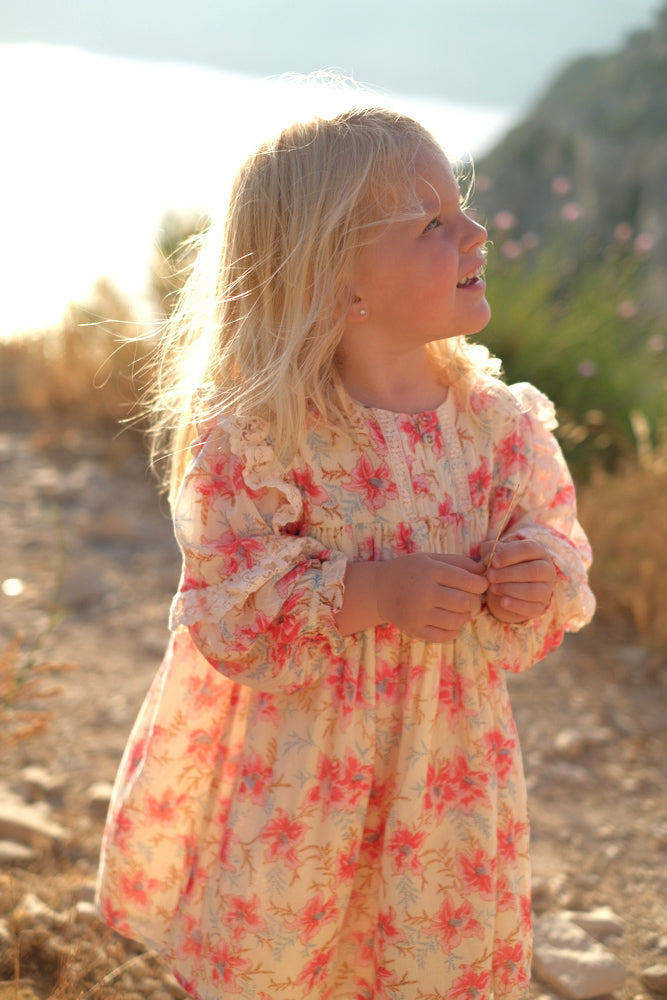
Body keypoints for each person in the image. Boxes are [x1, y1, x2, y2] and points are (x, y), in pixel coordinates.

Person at [97, 106, 595, 1000]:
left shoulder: (495, 424)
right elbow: (224, 607)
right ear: (337, 283)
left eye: (462, 207)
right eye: (433, 223)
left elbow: (555, 542)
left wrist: (534, 573)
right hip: (302, 780)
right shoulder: (260, 436)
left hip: (444, 775)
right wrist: (366, 591)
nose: (476, 231)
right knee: (288, 954)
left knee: (427, 952)